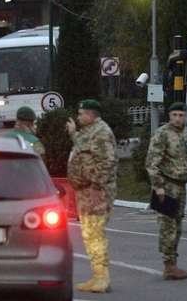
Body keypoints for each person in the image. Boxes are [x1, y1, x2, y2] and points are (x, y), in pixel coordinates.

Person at [66, 99, 117, 293]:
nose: (79, 117)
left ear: (90, 114)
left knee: (95, 233)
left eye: (81, 114)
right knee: (89, 233)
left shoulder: (101, 132)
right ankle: (97, 275)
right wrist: (73, 134)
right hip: (86, 191)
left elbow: (107, 162)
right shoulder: (90, 131)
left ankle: (102, 278)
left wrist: (96, 187)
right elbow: (84, 148)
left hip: (96, 192)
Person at [145, 102, 187, 280]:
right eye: (174, 115)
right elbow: (152, 162)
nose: (178, 119)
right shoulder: (162, 134)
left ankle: (173, 263)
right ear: (169, 116)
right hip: (166, 186)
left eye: (181, 115)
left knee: (178, 226)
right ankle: (169, 266)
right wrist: (158, 186)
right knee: (168, 227)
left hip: (180, 186)